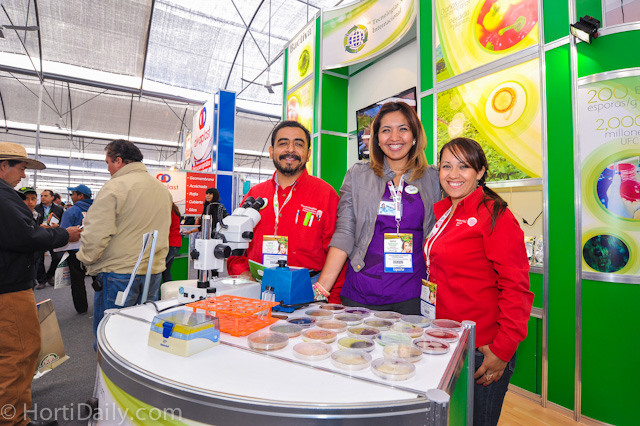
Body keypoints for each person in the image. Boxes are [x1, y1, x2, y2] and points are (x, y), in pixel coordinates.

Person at [424, 137, 533, 425]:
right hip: (448, 340)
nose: (453, 174)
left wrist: (502, 350)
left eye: (464, 166)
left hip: (482, 348)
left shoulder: (494, 214)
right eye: (446, 166)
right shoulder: (445, 212)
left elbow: (517, 287)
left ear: (481, 171)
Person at [315, 101, 440, 314]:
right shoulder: (357, 175)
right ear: (376, 138)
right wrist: (320, 291)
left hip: (414, 296)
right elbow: (345, 233)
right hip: (361, 292)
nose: (394, 137)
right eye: (386, 130)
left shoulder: (433, 179)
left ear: (415, 135)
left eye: (403, 129)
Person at [0, 142, 81, 426]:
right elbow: (26, 238)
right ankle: (13, 420)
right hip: (9, 289)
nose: (23, 176)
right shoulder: (4, 197)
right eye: (21, 168)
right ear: (3, 166)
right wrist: (64, 235)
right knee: (19, 353)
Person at [227, 121, 344, 302]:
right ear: (271, 151)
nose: (290, 149)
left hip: (309, 290)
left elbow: (338, 251)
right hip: (257, 286)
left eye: (298, 144)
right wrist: (243, 275)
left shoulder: (325, 194)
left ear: (308, 154)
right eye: (283, 143)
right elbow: (235, 248)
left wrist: (331, 300)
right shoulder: (255, 194)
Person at [77, 139, 172, 337]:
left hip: (118, 272)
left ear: (118, 161)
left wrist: (85, 259)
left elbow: (97, 232)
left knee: (112, 335)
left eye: (108, 163)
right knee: (143, 332)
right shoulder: (162, 189)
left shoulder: (114, 187)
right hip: (152, 270)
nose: (108, 169)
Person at [60, 184, 94, 314]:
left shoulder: (71, 211)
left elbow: (63, 233)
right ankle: (103, 304)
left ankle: (81, 308)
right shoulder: (98, 210)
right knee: (99, 278)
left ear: (80, 196)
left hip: (76, 253)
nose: (71, 197)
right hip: (97, 251)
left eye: (73, 194)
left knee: (77, 281)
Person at [35, 189, 65, 289]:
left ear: (52, 198)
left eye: (45, 196)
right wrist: (38, 226)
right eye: (41, 196)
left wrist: (58, 225)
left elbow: (63, 222)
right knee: (39, 259)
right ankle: (41, 280)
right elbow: (31, 222)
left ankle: (49, 276)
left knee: (57, 257)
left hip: (53, 234)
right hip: (40, 235)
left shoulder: (59, 209)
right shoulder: (36, 208)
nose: (43, 197)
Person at [163, 202, 182, 283]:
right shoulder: (174, 211)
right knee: (166, 270)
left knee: (159, 269)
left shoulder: (169, 212)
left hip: (170, 243)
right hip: (175, 243)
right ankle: (167, 289)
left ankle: (155, 291)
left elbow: (165, 226)